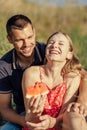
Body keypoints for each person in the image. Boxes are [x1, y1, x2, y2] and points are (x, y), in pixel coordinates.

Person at [22, 31, 83, 130]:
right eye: (51, 42)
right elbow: (29, 118)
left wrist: (51, 123)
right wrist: (34, 112)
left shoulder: (72, 77)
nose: (54, 45)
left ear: (69, 54)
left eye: (61, 44)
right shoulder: (31, 73)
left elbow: (64, 116)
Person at [0, 14, 46, 130]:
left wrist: (81, 101)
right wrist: (25, 122)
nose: (27, 44)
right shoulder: (3, 66)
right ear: (9, 39)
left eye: (30, 37)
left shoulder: (48, 51)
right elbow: (4, 108)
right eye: (20, 40)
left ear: (34, 32)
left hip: (56, 110)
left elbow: (81, 74)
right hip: (24, 114)